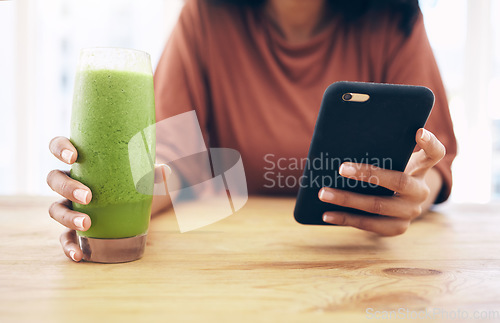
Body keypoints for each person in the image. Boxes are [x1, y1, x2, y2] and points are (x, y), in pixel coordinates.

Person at [47, 0, 457, 262]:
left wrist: (417, 195)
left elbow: (434, 164)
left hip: (359, 260)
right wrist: (100, 199)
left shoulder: (395, 18)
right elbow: (172, 165)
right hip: (231, 261)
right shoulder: (205, 15)